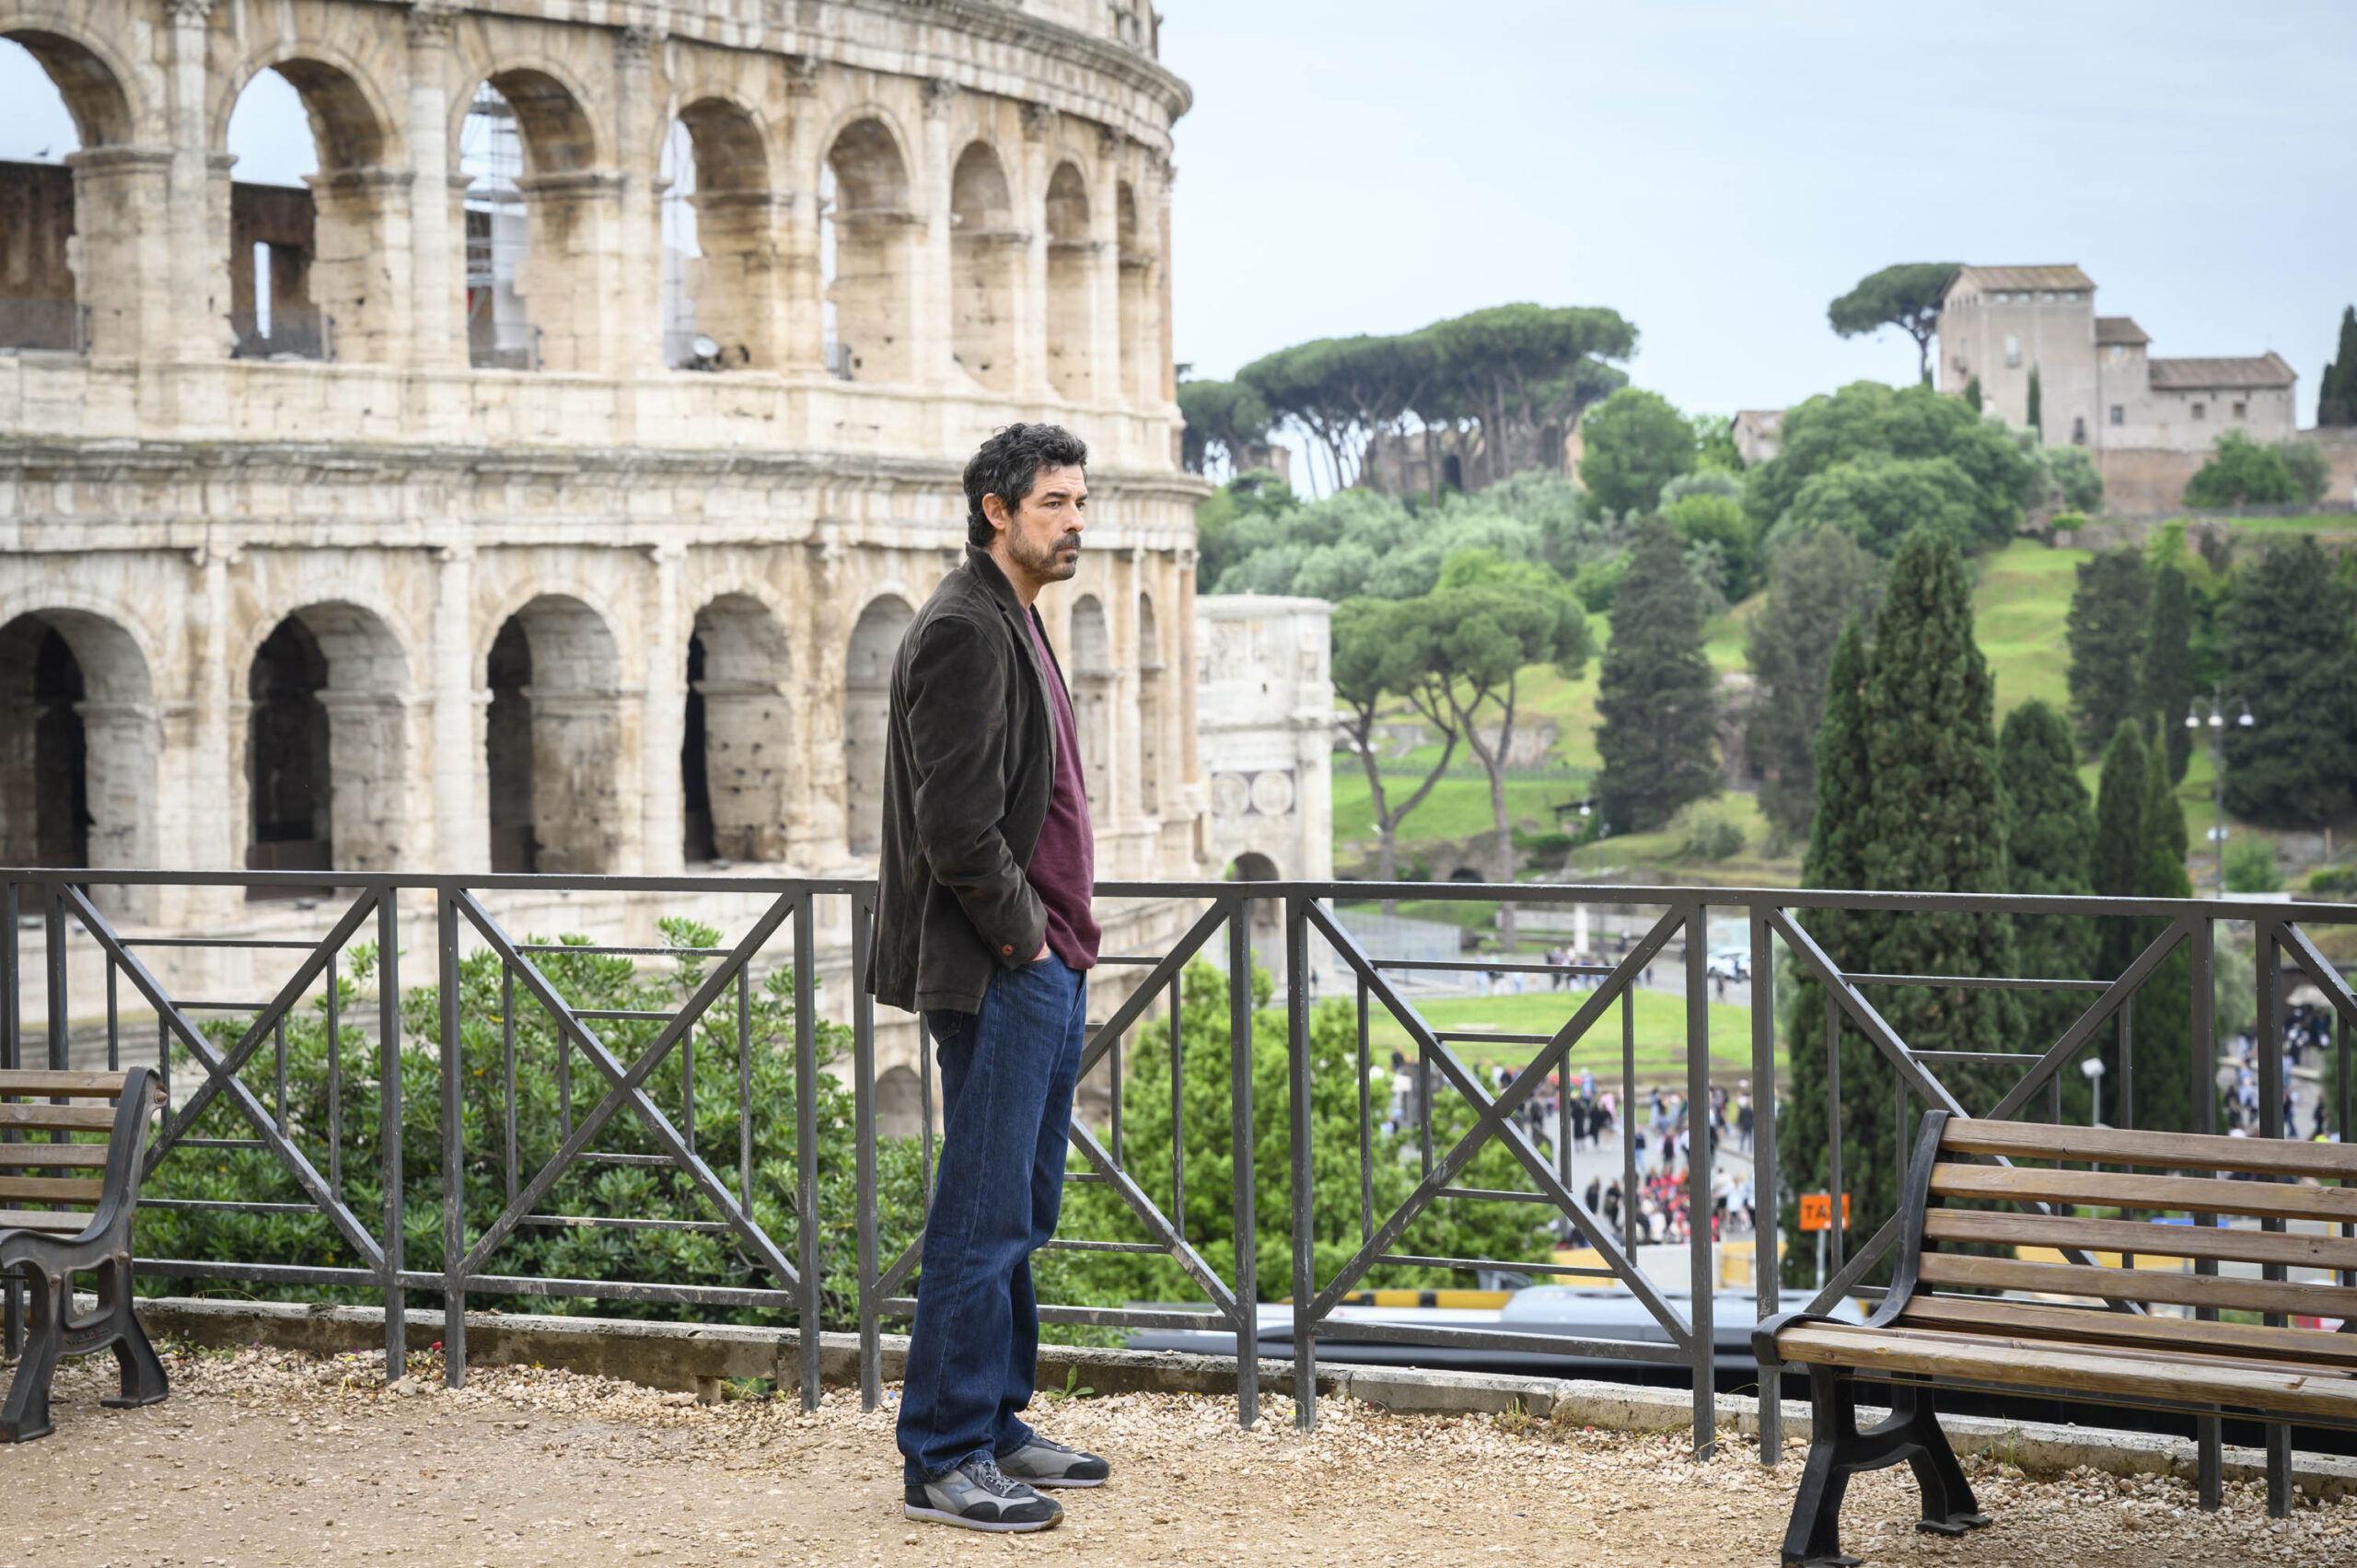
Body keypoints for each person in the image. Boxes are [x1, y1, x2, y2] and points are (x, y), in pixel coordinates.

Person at [866, 424, 1109, 1534]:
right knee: (980, 1210)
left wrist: (1061, 942)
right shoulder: (964, 629)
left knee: (1024, 1203)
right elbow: (956, 826)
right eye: (1054, 502)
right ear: (993, 508)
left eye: (1079, 502)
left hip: (1048, 958)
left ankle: (999, 1418)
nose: (1074, 523)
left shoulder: (1015, 617)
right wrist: (1030, 942)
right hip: (1006, 964)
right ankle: (944, 1453)